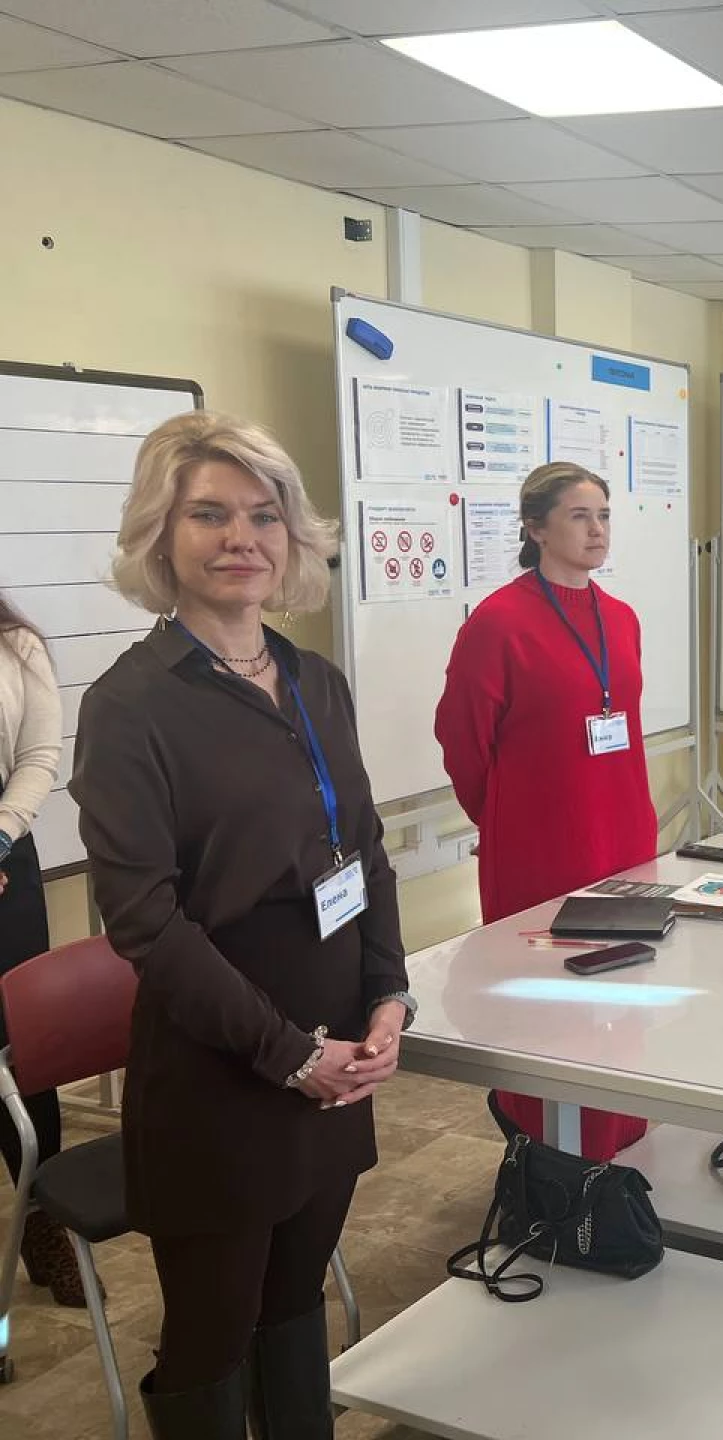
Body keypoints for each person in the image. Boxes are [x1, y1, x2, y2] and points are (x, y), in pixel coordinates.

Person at [71, 413, 411, 1438]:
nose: (241, 538)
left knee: (294, 1300)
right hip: (222, 1066)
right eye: (207, 515)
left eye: (264, 515)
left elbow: (366, 851)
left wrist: (388, 994)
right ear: (159, 533)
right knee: (212, 1334)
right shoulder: (131, 705)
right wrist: (288, 1054)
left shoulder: (315, 682)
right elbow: (146, 921)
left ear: (292, 534)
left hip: (339, 1055)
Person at [436, 462, 660, 1164]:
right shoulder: (499, 622)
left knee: (621, 994)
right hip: (540, 848)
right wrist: (507, 819)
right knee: (548, 1007)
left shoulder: (621, 618)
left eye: (604, 515)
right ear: (535, 528)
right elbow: (462, 740)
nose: (597, 531)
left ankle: (616, 1140)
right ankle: (547, 1156)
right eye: (578, 516)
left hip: (623, 837)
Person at [0, 589, 77, 1306]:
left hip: (4, 852)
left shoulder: (16, 644)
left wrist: (0, 835)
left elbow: (38, 755)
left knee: (23, 1051)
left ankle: (44, 1221)